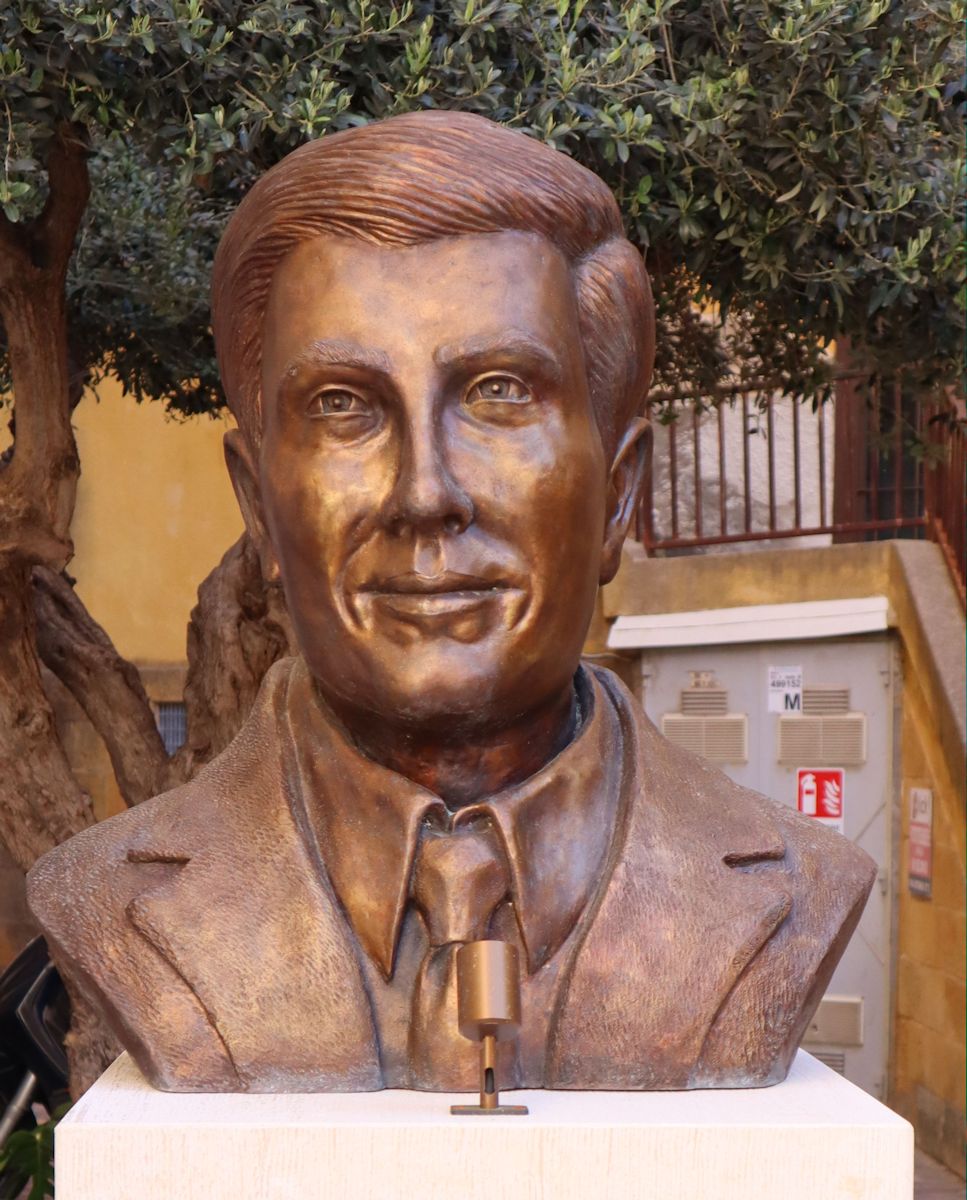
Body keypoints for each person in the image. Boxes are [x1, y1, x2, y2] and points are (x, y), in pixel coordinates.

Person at [27, 111, 875, 1094]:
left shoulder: (796, 886)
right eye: (344, 405)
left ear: (618, 496)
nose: (425, 493)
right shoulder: (109, 892)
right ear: (258, 505)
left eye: (499, 393)